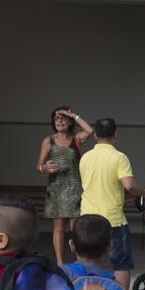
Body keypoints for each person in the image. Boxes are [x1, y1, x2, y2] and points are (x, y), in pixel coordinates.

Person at [78, 118, 145, 290]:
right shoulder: (119, 157)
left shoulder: (85, 158)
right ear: (115, 135)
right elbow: (129, 185)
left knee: (85, 262)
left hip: (87, 219)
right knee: (121, 264)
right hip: (113, 221)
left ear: (95, 134)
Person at [36, 106, 93, 265]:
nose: (59, 120)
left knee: (77, 229)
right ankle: (60, 263)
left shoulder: (76, 138)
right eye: (56, 118)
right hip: (57, 189)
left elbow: (90, 131)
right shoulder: (48, 141)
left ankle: (79, 260)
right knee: (58, 228)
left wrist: (73, 114)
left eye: (62, 117)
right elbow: (39, 166)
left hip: (75, 188)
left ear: (69, 121)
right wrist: (45, 168)